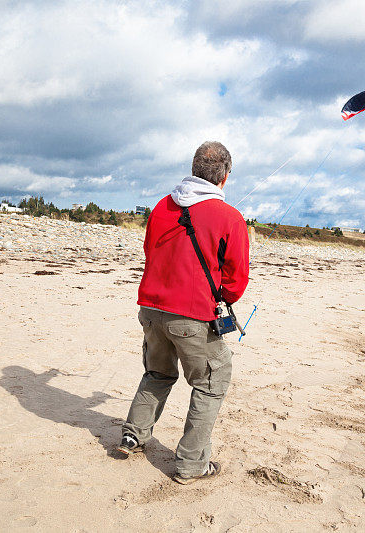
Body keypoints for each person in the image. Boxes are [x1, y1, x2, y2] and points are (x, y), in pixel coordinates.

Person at [117, 141, 250, 484]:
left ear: (195, 170)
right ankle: (191, 463)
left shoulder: (163, 205)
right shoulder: (230, 217)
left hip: (150, 308)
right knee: (211, 382)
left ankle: (133, 434)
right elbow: (237, 278)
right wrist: (222, 299)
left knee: (158, 372)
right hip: (189, 315)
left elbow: (151, 251)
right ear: (224, 177)